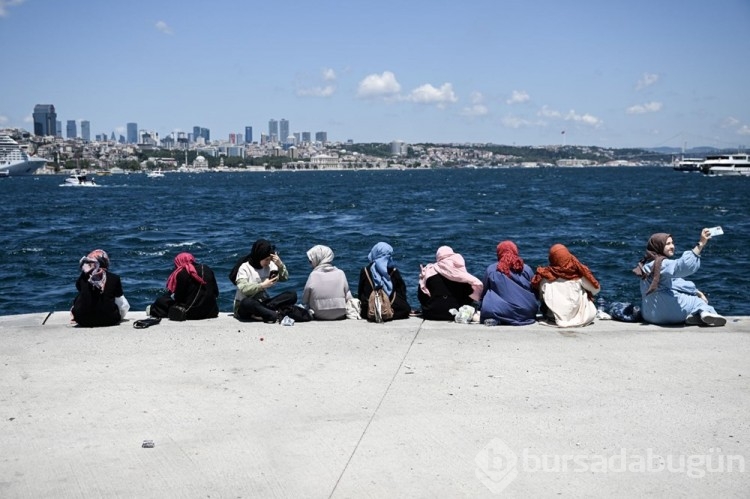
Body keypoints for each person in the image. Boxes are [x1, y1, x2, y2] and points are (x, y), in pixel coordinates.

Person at [633, 230, 726, 326]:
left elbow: (675, 283)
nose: (672, 246)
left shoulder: (646, 264)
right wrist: (701, 244)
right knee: (696, 301)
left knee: (680, 294)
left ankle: (693, 317)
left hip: (649, 315)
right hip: (667, 314)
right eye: (668, 244)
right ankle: (706, 312)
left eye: (672, 243)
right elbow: (682, 266)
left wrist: (696, 291)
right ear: (658, 246)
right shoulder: (660, 264)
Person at [531, 244, 600, 327]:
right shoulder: (578, 275)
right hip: (578, 316)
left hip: (553, 317)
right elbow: (595, 290)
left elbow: (540, 297)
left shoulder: (545, 276)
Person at [232, 239, 296, 323]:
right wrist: (262, 285)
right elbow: (244, 288)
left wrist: (280, 265)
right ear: (259, 258)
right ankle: (274, 314)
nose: (269, 262)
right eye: (266, 260)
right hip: (245, 305)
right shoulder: (245, 268)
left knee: (292, 295)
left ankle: (264, 313)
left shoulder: (270, 265)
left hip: (263, 303)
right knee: (247, 303)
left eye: (270, 259)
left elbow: (284, 278)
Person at [479, 241, 538, 325]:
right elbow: (534, 290)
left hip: (499, 310)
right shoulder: (526, 269)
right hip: (526, 313)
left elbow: (484, 292)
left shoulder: (491, 269)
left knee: (488, 295)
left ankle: (497, 318)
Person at [418, 246, 483, 321]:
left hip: (431, 314)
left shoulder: (429, 273)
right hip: (456, 314)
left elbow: (421, 296)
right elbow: (469, 296)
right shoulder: (459, 275)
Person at [71, 249, 129, 327]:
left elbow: (80, 290)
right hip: (110, 320)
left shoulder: (83, 278)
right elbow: (121, 301)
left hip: (82, 320)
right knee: (121, 300)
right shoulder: (114, 278)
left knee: (79, 297)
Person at [358, 242, 411, 321]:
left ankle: (376, 314)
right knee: (405, 308)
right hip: (391, 307)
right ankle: (387, 314)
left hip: (370, 309)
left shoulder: (365, 271)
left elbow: (361, 292)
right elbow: (402, 293)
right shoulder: (393, 271)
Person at [301, 245, 352, 320]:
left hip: (319, 313)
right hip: (340, 312)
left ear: (318, 259)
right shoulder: (340, 273)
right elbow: (348, 297)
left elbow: (305, 299)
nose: (310, 263)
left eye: (311, 261)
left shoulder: (313, 275)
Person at [165, 252, 219, 320]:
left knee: (161, 301)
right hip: (212, 312)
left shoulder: (182, 273)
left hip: (190, 313)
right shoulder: (206, 268)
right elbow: (216, 292)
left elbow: (179, 298)